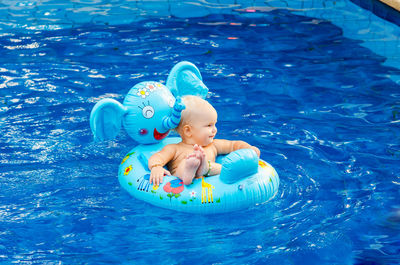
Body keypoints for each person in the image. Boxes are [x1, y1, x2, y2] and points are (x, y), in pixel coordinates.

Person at [148, 95, 260, 186]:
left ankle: (205, 168)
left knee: (223, 167)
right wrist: (156, 167)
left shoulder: (213, 145)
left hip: (209, 171)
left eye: (215, 124)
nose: (214, 130)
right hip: (182, 177)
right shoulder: (174, 148)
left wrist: (248, 149)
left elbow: (233, 145)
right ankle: (190, 169)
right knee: (186, 162)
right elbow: (158, 157)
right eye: (209, 125)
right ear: (188, 131)